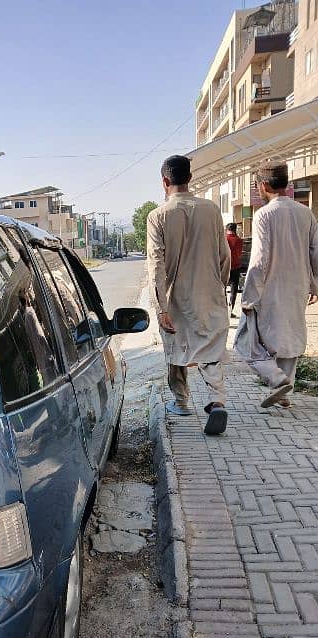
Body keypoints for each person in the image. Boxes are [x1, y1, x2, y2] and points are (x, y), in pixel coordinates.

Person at [147, 155, 231, 435]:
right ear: (190, 178)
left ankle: (181, 402)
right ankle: (216, 400)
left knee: (177, 348)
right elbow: (224, 254)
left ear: (165, 181)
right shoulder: (211, 209)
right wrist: (221, 285)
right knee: (209, 349)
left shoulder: (158, 216)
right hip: (209, 291)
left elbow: (155, 264)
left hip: (175, 296)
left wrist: (160, 306)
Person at [239, 159, 318, 408]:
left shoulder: (264, 214)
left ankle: (276, 379)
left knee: (246, 341)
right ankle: (284, 390)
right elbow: (316, 252)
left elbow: (260, 258)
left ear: (263, 185)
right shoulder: (306, 213)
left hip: (268, 289)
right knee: (289, 339)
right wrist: (315, 285)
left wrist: (249, 295)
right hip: (297, 287)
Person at [225, 223, 243, 317]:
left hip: (225, 267)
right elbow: (240, 254)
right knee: (233, 290)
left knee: (222, 289)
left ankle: (224, 310)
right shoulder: (239, 240)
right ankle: (230, 310)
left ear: (227, 229)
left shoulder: (224, 239)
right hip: (236, 267)